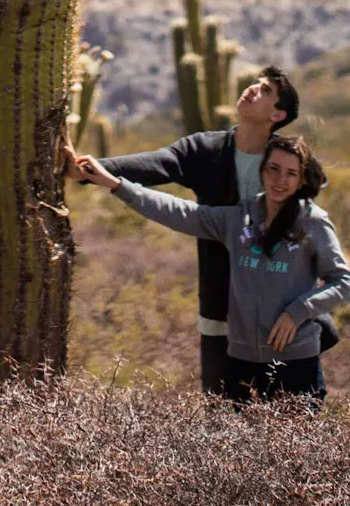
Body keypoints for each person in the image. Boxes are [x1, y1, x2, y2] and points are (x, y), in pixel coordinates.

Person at [73, 127, 350, 402]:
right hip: (241, 361)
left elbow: (344, 284)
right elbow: (177, 210)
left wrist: (297, 312)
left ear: (300, 180)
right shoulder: (236, 219)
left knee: (297, 450)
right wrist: (115, 184)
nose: (280, 179)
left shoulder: (312, 221)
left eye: (290, 173)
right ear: (261, 170)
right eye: (273, 169)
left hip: (295, 362)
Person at [81, 63, 306, 393]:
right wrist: (88, 170)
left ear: (278, 115)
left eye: (266, 91)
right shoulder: (206, 150)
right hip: (219, 311)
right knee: (219, 415)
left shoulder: (288, 163)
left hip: (277, 319)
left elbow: (311, 224)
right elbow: (158, 163)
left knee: (281, 422)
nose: (253, 88)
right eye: (255, 83)